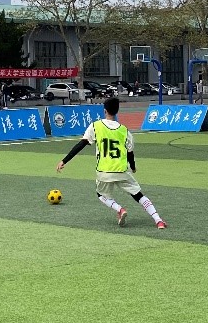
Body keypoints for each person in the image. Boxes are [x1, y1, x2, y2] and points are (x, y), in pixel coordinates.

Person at [56, 95, 166, 229]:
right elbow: (130, 153)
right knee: (138, 195)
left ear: (105, 111)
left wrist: (64, 161)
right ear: (117, 111)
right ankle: (158, 220)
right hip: (121, 170)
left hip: (104, 171)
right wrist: (133, 167)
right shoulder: (124, 130)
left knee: (101, 195)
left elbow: (81, 144)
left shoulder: (96, 126)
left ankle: (120, 209)